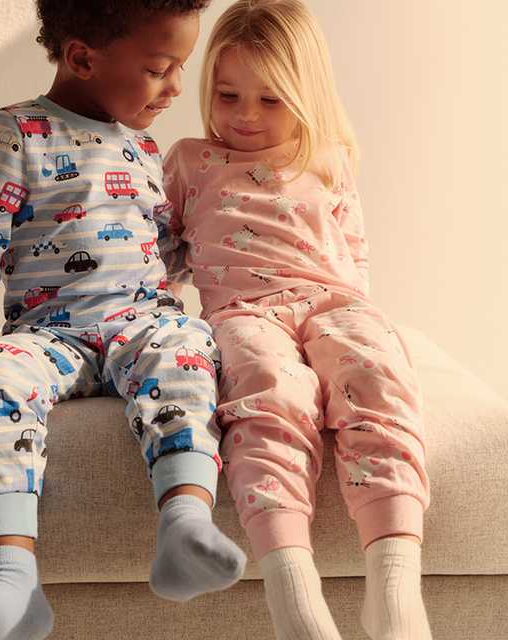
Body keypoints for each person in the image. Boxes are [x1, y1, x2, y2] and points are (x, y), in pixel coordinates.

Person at [0, 2, 247, 638]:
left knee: (187, 348)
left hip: (144, 324)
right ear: (81, 58)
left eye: (180, 67)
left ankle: (184, 525)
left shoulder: (145, 147)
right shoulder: (14, 133)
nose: (179, 87)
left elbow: (164, 251)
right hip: (48, 336)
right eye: (161, 68)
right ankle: (13, 580)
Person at [161, 1, 432, 638]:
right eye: (228, 95)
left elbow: (354, 255)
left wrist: (351, 333)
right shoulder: (190, 162)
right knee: (269, 391)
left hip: (335, 303)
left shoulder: (329, 160)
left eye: (271, 99)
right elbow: (157, 256)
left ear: (305, 95)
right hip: (244, 313)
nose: (246, 115)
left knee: (377, 376)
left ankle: (394, 589)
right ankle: (294, 594)